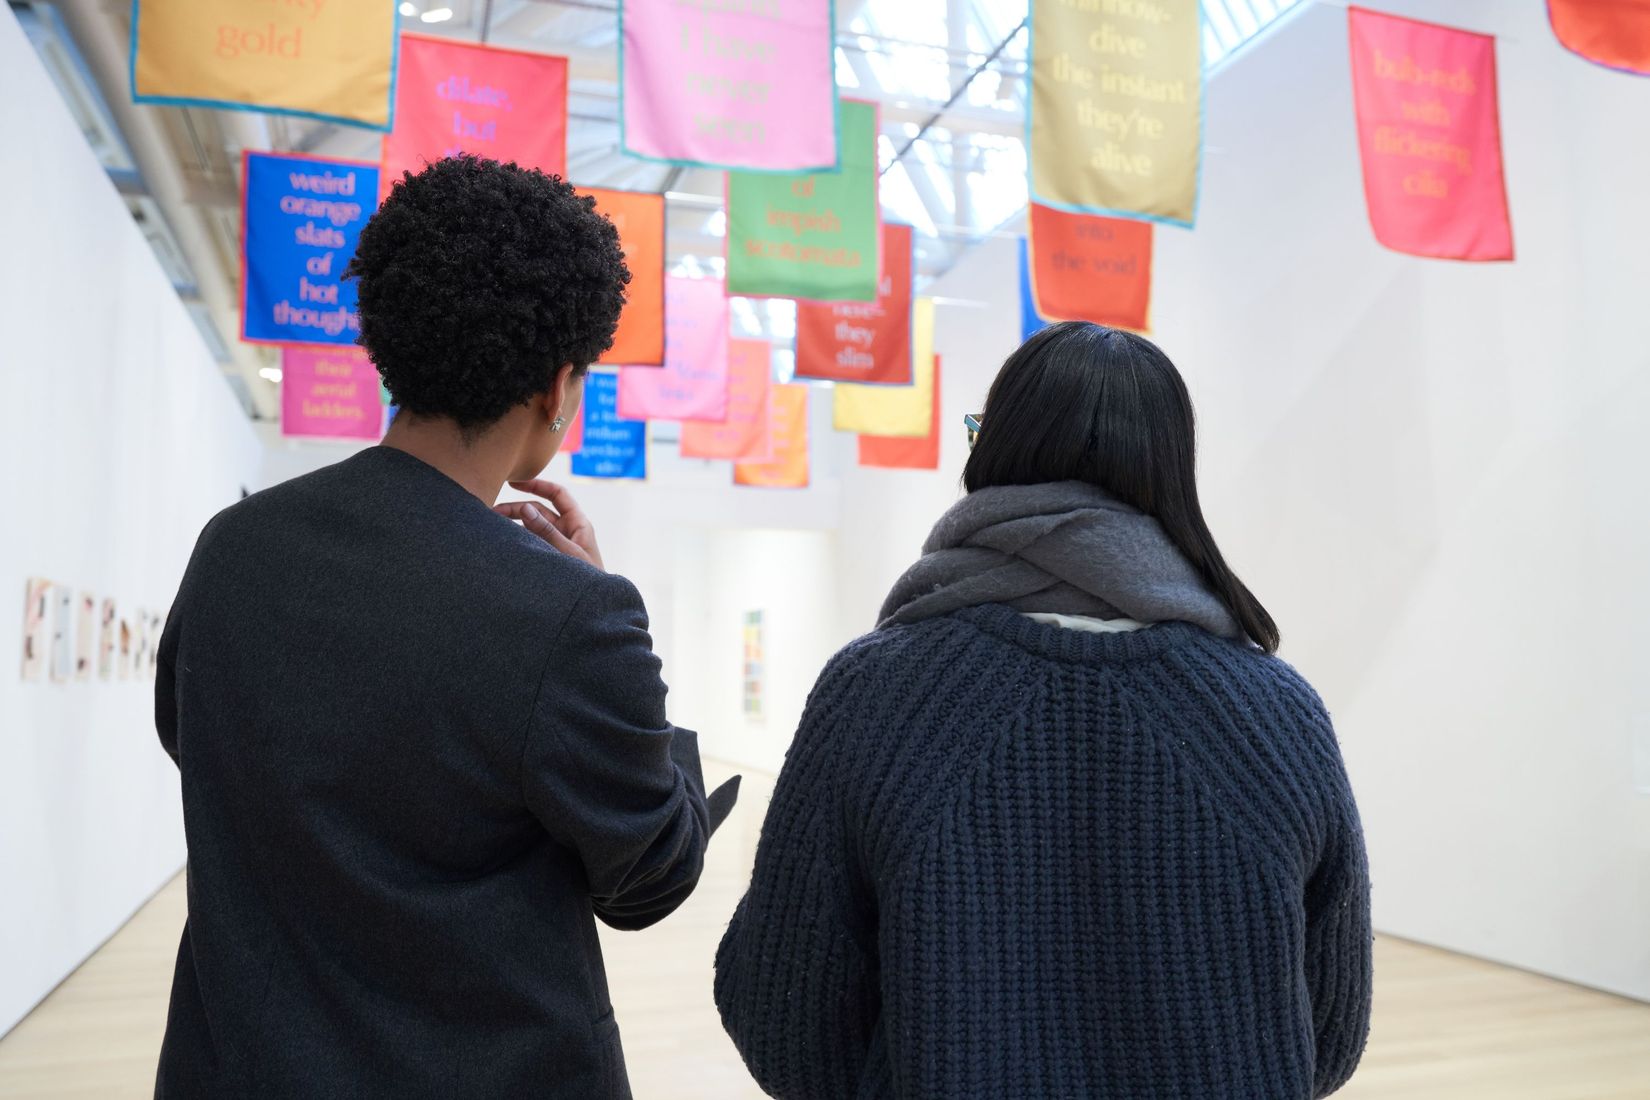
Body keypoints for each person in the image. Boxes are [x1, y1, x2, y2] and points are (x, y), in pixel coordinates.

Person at [154, 156, 736, 1099]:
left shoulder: (233, 549)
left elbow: (202, 747)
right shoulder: (569, 611)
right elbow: (650, 879)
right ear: (557, 387)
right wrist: (610, 626)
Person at [715, 322, 1372, 1099]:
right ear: (1170, 472)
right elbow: (1328, 1028)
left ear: (992, 452)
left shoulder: (874, 692)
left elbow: (786, 1016)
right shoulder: (1278, 712)